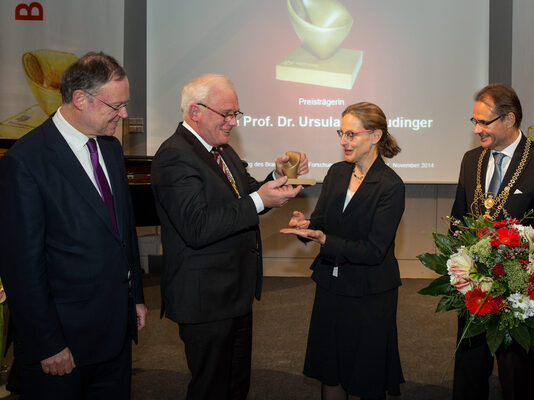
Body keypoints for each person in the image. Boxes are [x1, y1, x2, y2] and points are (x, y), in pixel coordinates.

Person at [151, 74, 308, 400]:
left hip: (233, 294)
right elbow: (198, 227)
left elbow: (247, 195)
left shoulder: (220, 151)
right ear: (195, 112)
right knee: (211, 388)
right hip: (204, 300)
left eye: (236, 114)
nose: (233, 122)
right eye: (226, 113)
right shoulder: (175, 155)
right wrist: (261, 199)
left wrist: (276, 178)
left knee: (235, 386)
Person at [0, 52, 147, 399]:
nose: (124, 114)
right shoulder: (26, 161)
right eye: (117, 105)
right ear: (80, 99)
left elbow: (123, 233)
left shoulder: (110, 148)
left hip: (114, 334)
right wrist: (46, 343)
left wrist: (136, 298)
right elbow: (22, 267)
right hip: (62, 343)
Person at [451, 83, 534, 400]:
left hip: (519, 294)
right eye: (473, 121)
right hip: (474, 291)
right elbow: (458, 221)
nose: (477, 129)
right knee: (468, 373)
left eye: (484, 122)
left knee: (516, 377)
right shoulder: (470, 160)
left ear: (509, 119)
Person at [281, 102, 405, 400]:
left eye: (351, 134)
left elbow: (375, 250)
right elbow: (323, 220)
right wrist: (307, 225)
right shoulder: (337, 173)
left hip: (370, 293)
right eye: (341, 133)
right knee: (330, 368)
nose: (343, 141)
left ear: (375, 136)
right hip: (331, 286)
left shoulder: (390, 185)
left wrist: (325, 239)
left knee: (366, 373)